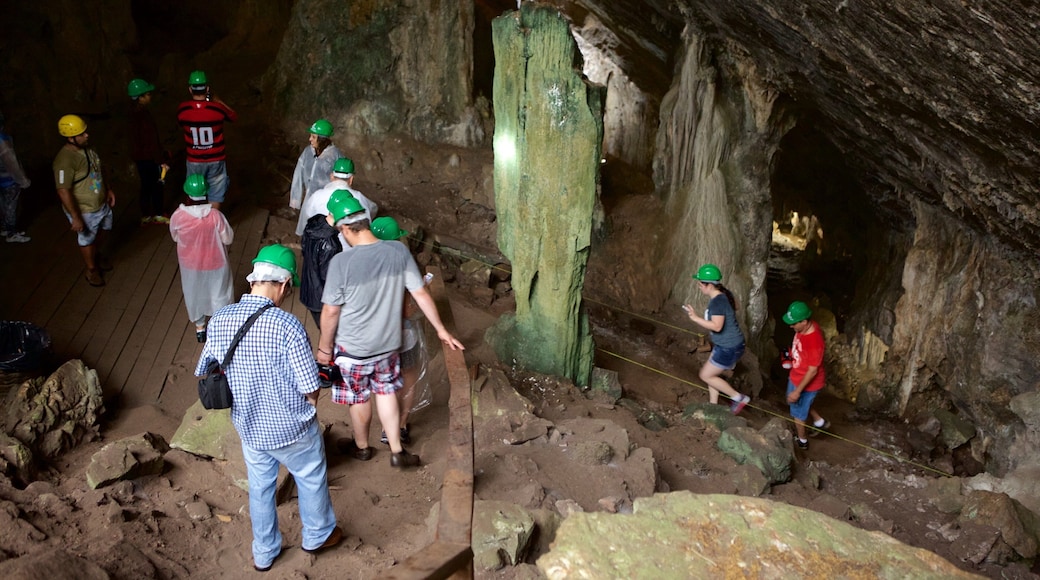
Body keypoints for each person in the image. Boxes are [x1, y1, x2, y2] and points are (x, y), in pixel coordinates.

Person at [195, 244, 341, 572]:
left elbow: (204, 368)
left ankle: (264, 551)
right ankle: (317, 534)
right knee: (310, 475)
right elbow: (310, 386)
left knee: (260, 487)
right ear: (285, 285)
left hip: (249, 426)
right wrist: (308, 408)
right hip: (291, 426)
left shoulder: (220, 318)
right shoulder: (287, 326)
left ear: (253, 280)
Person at [316, 196, 464, 468]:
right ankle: (397, 451)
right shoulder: (397, 251)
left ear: (345, 229)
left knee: (359, 398)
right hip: (387, 344)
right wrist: (441, 330)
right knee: (385, 393)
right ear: (365, 221)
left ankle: (361, 447)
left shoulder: (341, 263)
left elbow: (331, 311)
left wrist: (325, 349)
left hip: (353, 347)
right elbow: (419, 293)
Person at [370, 216, 422, 445]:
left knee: (384, 381)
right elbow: (407, 310)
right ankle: (400, 425)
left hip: (375, 336)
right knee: (408, 379)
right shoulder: (402, 265)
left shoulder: (363, 266)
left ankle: (385, 427)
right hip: (403, 334)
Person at [170, 174, 235, 343]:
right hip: (216, 263)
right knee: (219, 293)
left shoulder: (178, 216)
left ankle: (200, 328)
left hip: (190, 264)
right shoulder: (215, 216)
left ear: (187, 194)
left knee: (194, 293)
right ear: (206, 193)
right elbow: (228, 238)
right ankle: (220, 326)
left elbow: (175, 237)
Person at [53, 114, 116, 287]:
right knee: (87, 238)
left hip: (100, 203)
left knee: (103, 230)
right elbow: (63, 190)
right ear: (70, 137)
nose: (86, 135)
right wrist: (76, 217)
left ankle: (95, 255)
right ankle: (91, 269)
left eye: (85, 132)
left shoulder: (88, 149)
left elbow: (99, 168)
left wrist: (108, 189)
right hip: (86, 209)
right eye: (81, 134)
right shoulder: (64, 161)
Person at [683, 263, 751, 414]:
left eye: (700, 283)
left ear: (709, 285)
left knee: (705, 375)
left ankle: (738, 398)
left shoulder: (717, 302)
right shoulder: (724, 295)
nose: (698, 286)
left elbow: (717, 326)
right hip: (727, 345)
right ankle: (713, 406)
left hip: (729, 347)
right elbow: (736, 307)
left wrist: (695, 318)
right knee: (711, 375)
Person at [176, 70, 236, 211]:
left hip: (194, 160)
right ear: (207, 89)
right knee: (215, 194)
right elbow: (233, 116)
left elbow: (180, 123)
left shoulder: (183, 110)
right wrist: (218, 100)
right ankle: (212, 223)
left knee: (194, 191)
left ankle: (196, 222)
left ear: (190, 89)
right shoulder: (217, 110)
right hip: (216, 159)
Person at [300, 189, 354, 327]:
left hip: (307, 288)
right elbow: (330, 280)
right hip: (321, 299)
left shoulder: (314, 222)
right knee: (329, 331)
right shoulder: (331, 245)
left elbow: (305, 250)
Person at [781, 300, 829, 450]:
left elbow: (813, 370)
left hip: (807, 383)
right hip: (797, 374)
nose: (791, 326)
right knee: (800, 404)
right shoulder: (804, 328)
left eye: (794, 323)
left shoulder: (814, 341)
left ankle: (802, 441)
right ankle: (819, 421)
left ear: (804, 321)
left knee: (797, 413)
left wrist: (797, 391)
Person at [295, 157, 377, 237]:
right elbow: (373, 209)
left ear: (331, 176)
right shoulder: (358, 197)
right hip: (351, 246)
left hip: (321, 244)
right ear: (351, 179)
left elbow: (308, 217)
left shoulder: (316, 196)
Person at [127, 78, 170, 225]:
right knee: (158, 185)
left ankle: (145, 215)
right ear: (140, 97)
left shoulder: (132, 114)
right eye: (147, 94)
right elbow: (151, 141)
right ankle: (158, 214)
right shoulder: (143, 116)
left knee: (145, 186)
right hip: (151, 158)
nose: (150, 96)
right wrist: (161, 160)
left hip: (140, 158)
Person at [289, 119, 341, 219]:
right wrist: (295, 198)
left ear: (322, 140)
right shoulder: (308, 152)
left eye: (313, 137)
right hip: (309, 198)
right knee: (307, 225)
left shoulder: (335, 156)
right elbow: (298, 174)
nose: (310, 139)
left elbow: (341, 181)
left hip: (326, 202)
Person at [0, 111, 32, 243]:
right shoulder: (3, 141)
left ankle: (5, 228)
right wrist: (23, 180)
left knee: (3, 204)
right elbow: (11, 161)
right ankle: (11, 233)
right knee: (11, 206)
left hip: (1, 178)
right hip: (8, 179)